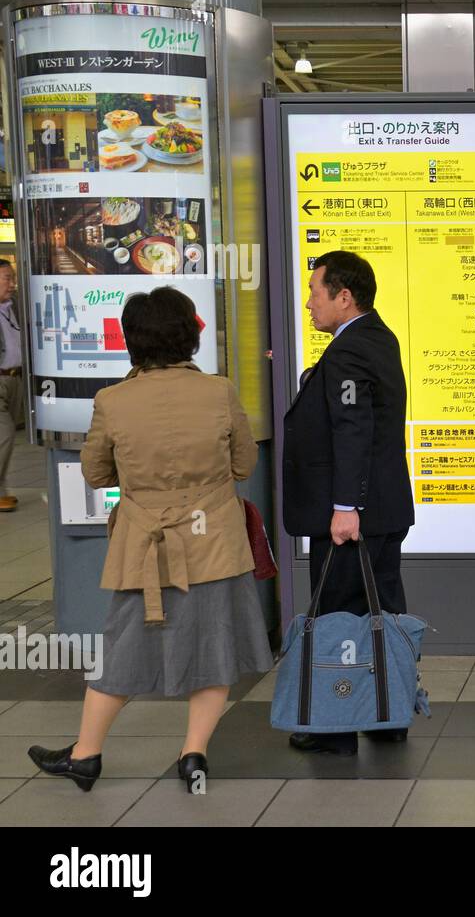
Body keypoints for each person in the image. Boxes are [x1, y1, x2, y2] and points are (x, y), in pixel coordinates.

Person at [28, 287, 272, 793]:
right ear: (189, 335)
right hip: (216, 542)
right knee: (214, 644)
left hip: (145, 545)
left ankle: (86, 754)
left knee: (123, 649)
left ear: (133, 341)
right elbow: (244, 463)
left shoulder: (113, 401)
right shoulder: (220, 391)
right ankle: (193, 754)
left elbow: (95, 473)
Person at [282, 250, 414, 756]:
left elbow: (354, 429)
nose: (310, 303)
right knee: (382, 611)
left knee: (340, 616)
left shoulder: (349, 351)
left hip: (355, 515)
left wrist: (343, 508)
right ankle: (387, 717)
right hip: (383, 509)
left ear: (344, 296)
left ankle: (335, 729)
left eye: (316, 292)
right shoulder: (377, 338)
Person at [0, 260, 25, 513]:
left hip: (15, 378)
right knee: (5, 431)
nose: (11, 283)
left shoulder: (14, 305)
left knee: (9, 430)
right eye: (6, 278)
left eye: (12, 277)